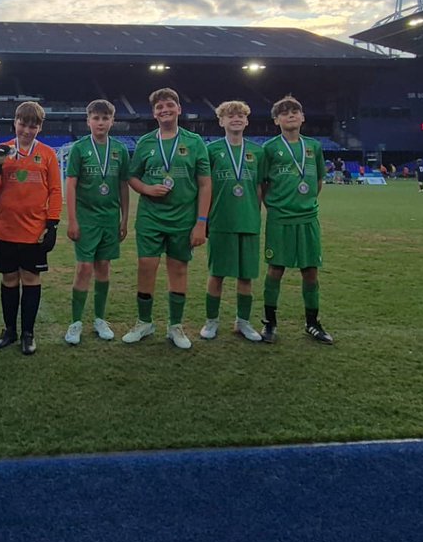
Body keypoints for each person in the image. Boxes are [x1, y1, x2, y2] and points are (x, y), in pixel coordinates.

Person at [123, 88, 211, 350]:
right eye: (159, 107)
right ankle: (144, 322)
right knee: (146, 266)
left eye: (169, 105)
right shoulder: (146, 142)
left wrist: (201, 222)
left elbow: (205, 184)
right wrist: (147, 189)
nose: (165, 110)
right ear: (154, 113)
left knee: (178, 269)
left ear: (179, 109)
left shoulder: (195, 142)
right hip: (151, 217)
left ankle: (175, 326)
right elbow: (132, 176)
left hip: (183, 219)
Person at [0, 101, 62, 355]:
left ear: (39, 127)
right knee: (9, 279)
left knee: (30, 278)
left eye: (33, 126)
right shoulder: (2, 149)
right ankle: (9, 330)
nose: (27, 130)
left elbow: (55, 190)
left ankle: (28, 333)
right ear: (14, 122)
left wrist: (52, 225)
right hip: (6, 229)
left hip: (34, 231)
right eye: (23, 124)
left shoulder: (48, 154)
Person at [260, 95, 332, 345]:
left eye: (295, 111)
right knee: (275, 269)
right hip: (280, 218)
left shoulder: (314, 147)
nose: (290, 115)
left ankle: (312, 323)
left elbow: (318, 181)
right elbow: (263, 185)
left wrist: (306, 202)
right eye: (284, 112)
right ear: (276, 120)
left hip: (308, 218)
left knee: (310, 271)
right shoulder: (269, 148)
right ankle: (270, 322)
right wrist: (277, 206)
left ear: (302, 117)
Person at [63, 99, 130, 345]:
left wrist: (124, 218)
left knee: (103, 267)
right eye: (96, 118)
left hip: (110, 219)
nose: (100, 122)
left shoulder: (120, 149)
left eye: (105, 118)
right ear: (88, 120)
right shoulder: (80, 148)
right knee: (84, 269)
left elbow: (123, 185)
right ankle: (76, 322)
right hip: (86, 218)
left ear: (112, 121)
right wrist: (72, 220)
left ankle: (100, 319)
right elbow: (70, 184)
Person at [200, 101, 265, 343]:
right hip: (220, 221)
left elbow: (259, 188)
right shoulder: (212, 150)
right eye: (230, 116)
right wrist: (203, 219)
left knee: (246, 276)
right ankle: (211, 321)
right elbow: (204, 187)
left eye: (240, 115)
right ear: (221, 122)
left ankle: (243, 322)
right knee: (216, 274)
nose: (235, 119)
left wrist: (255, 214)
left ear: (247, 121)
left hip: (248, 221)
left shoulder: (258, 152)